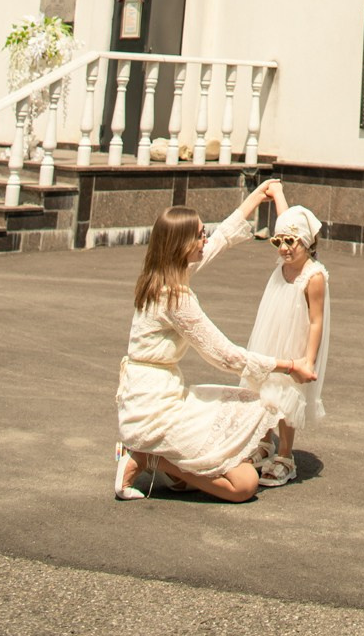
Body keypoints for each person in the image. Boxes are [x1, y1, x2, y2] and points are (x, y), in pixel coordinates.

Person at [114, 181, 312, 501]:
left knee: (225, 464)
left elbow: (219, 240)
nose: (205, 237)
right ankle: (149, 457)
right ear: (181, 245)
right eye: (199, 234)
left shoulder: (160, 273)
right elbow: (224, 356)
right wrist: (289, 366)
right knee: (244, 483)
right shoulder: (174, 296)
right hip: (154, 409)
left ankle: (161, 461)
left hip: (155, 395)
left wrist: (255, 197)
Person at [247, 184, 330, 487]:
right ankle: (264, 442)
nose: (284, 248)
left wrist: (308, 358)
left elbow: (317, 321)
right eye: (278, 241)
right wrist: (278, 194)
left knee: (285, 395)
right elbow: (286, 219)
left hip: (295, 340)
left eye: (291, 242)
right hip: (270, 332)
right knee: (261, 387)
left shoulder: (313, 275)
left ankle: (285, 455)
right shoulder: (284, 263)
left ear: (306, 243)